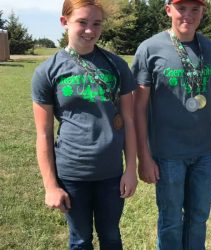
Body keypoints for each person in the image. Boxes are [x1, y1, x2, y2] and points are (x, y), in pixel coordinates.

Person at [32, 0, 138, 249]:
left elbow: (129, 121)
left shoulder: (117, 66)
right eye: (82, 22)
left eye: (96, 23)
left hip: (111, 174)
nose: (90, 30)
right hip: (72, 174)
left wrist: (130, 169)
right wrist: (51, 185)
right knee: (80, 240)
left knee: (111, 236)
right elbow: (43, 134)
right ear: (64, 22)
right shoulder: (47, 71)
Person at [131, 0, 211, 249]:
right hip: (167, 155)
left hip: (203, 153)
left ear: (203, 12)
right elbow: (139, 107)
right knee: (171, 220)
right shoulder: (149, 49)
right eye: (181, 8)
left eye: (195, 9)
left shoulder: (210, 49)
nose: (188, 15)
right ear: (168, 11)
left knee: (198, 218)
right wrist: (144, 156)